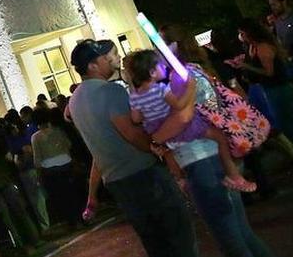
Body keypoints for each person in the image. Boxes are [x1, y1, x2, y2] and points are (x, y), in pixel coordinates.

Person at [67, 39, 198, 257]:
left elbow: (96, 147)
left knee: (155, 242)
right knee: (179, 233)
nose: (109, 60)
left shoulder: (75, 101)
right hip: (142, 173)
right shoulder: (109, 92)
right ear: (92, 65)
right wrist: (157, 148)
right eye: (104, 57)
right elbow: (131, 133)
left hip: (116, 180)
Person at [153, 34, 277, 257]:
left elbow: (184, 117)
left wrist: (157, 138)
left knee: (230, 240)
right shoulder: (195, 70)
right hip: (216, 155)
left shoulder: (182, 77)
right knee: (241, 232)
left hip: (203, 160)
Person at [123, 49, 256, 192]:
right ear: (152, 72)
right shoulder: (161, 89)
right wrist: (190, 89)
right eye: (161, 65)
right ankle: (233, 175)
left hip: (157, 128)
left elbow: (136, 118)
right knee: (220, 137)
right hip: (182, 129)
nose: (164, 67)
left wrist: (150, 111)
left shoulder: (135, 96)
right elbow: (179, 105)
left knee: (169, 153)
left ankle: (180, 179)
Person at [232, 20, 293, 171]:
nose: (240, 36)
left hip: (278, 87)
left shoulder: (263, 47)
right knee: (285, 123)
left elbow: (269, 72)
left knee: (289, 123)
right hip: (269, 88)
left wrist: (247, 66)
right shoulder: (252, 47)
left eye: (242, 33)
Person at [31, 106, 83, 226]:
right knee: (73, 193)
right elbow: (68, 145)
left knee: (60, 197)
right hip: (66, 163)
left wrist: (39, 175)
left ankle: (71, 221)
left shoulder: (36, 137)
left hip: (50, 169)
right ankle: (81, 217)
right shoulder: (58, 130)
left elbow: (37, 158)